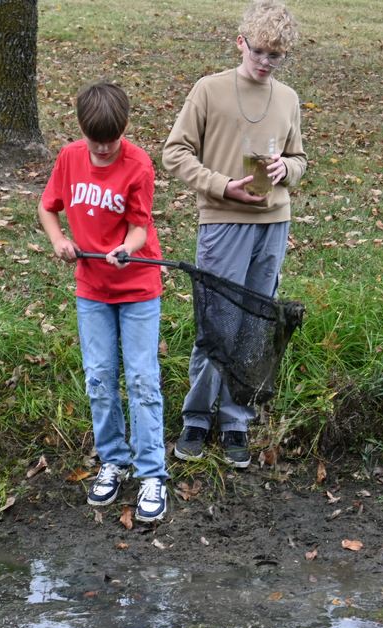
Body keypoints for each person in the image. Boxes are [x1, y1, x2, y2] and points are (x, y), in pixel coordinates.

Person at [162, 0, 306, 469]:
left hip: (273, 224)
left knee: (254, 325)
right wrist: (221, 185)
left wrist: (288, 168)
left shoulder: (288, 99)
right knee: (217, 322)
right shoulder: (209, 90)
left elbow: (300, 159)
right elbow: (175, 152)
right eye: (260, 51)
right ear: (241, 42)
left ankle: (236, 420)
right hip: (223, 222)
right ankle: (197, 418)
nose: (266, 62)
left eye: (276, 56)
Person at [38, 81, 169, 522]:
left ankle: (152, 473)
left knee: (141, 379)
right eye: (97, 143)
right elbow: (47, 207)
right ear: (83, 132)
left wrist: (127, 251)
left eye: (111, 142)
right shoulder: (70, 157)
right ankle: (114, 460)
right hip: (92, 289)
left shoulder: (138, 165)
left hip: (137, 288)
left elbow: (138, 226)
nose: (103, 150)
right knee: (98, 376)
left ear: (123, 131)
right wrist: (59, 241)